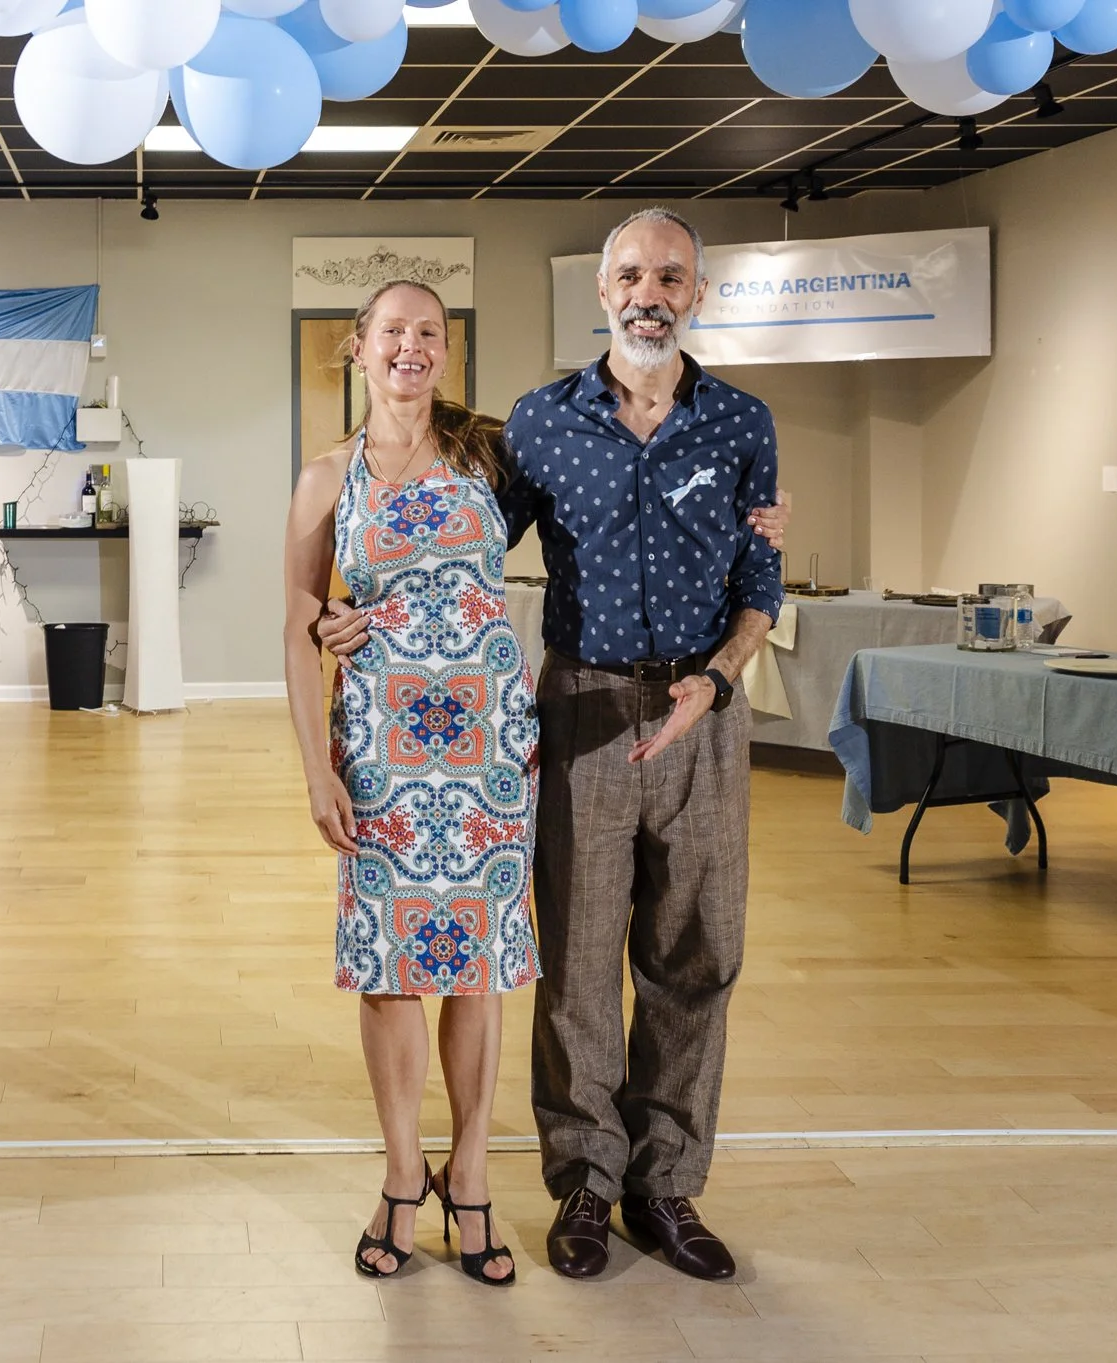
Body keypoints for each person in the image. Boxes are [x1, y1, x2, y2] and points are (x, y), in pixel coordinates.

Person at [318, 208, 787, 1284]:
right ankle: (583, 1181)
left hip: (703, 711)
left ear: (697, 293)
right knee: (575, 957)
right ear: (603, 291)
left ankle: (665, 1185)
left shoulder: (742, 423)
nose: (649, 293)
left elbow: (761, 586)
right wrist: (349, 611)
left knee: (697, 954)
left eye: (670, 276)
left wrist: (717, 677)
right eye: (631, 275)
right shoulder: (535, 425)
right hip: (580, 704)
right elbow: (454, 540)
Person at [283, 280, 537, 1286]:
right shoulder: (325, 476)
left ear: (446, 350)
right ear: (358, 347)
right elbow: (297, 627)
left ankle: (468, 1174)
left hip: (487, 752)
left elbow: (606, 502)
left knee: (476, 966)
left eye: (429, 332)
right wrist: (317, 771)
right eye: (393, 331)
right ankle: (400, 1174)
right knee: (390, 966)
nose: (411, 347)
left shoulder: (492, 455)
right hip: (383, 752)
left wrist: (756, 523)